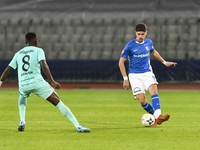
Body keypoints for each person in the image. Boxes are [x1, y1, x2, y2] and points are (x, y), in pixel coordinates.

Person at [0, 32, 91, 133]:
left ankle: (22, 120)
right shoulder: (39, 50)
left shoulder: (18, 53)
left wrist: (0, 82)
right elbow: (44, 65)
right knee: (58, 102)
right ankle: (77, 126)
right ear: (36, 41)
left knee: (22, 96)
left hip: (23, 84)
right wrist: (52, 81)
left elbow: (8, 69)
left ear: (26, 42)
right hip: (37, 83)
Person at [118, 23, 177, 126]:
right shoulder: (130, 45)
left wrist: (164, 62)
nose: (140, 36)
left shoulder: (148, 43)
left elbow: (153, 52)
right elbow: (121, 62)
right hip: (134, 75)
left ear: (146, 33)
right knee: (142, 100)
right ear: (135, 33)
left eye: (142, 34)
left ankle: (159, 116)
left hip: (147, 73)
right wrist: (125, 78)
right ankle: (156, 117)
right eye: (138, 34)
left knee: (153, 89)